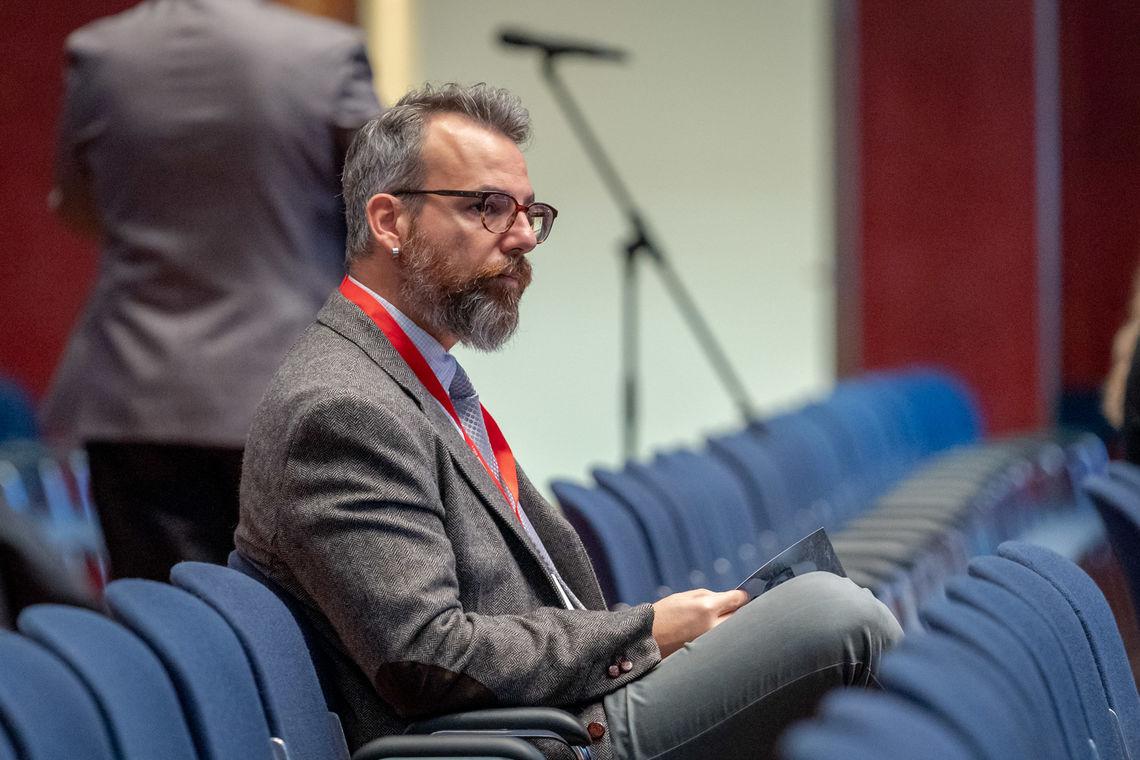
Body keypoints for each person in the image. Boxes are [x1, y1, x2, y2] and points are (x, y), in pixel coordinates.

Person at [236, 82, 903, 760]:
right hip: (520, 741)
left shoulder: (409, 375)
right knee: (836, 618)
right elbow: (427, 655)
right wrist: (649, 632)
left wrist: (653, 635)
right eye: (489, 208)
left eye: (530, 212)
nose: (525, 236)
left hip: (556, 712)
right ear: (389, 222)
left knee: (812, 603)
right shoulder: (343, 408)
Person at [41, 0, 381, 581]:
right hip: (292, 383)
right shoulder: (324, 54)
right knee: (308, 617)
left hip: (137, 388)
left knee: (165, 618)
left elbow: (76, 206)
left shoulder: (100, 52)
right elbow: (387, 212)